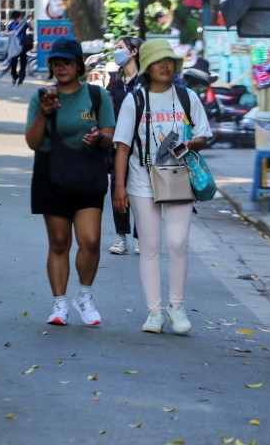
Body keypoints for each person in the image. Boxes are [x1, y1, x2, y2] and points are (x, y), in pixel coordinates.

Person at [112, 40, 212, 335]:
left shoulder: (186, 96)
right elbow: (121, 146)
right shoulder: (135, 99)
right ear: (147, 67)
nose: (165, 65)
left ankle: (176, 307)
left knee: (179, 242)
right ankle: (154, 311)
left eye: (168, 60)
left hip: (178, 177)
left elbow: (204, 136)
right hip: (141, 179)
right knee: (151, 246)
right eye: (158, 61)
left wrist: (192, 143)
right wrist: (119, 187)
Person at [25, 37, 116, 327]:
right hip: (51, 174)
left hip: (87, 173)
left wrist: (98, 137)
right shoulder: (42, 96)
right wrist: (43, 113)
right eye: (56, 62)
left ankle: (84, 297)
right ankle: (59, 304)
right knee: (59, 242)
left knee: (90, 240)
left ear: (79, 65)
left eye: (67, 62)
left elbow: (110, 136)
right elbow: (32, 142)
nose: (61, 67)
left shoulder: (97, 96)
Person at [105, 36, 143, 255]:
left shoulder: (145, 81)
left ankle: (141, 237)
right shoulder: (114, 81)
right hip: (119, 144)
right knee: (117, 187)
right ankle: (121, 237)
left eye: (120, 48)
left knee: (142, 190)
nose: (116, 52)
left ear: (133, 52)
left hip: (143, 144)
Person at [5, 10, 33, 86]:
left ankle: (21, 80)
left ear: (20, 17)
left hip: (23, 46)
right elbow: (6, 32)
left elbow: (31, 26)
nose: (15, 20)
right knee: (13, 65)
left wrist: (30, 16)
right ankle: (15, 77)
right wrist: (11, 33)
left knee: (23, 64)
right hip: (14, 47)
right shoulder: (12, 24)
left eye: (16, 19)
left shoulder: (23, 23)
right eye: (14, 19)